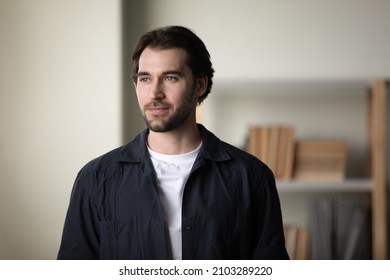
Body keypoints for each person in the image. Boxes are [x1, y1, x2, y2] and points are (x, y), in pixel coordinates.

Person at [57, 25, 289, 260]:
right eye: (145, 78)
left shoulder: (252, 177)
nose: (155, 93)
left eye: (170, 78)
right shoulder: (96, 179)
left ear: (200, 85)